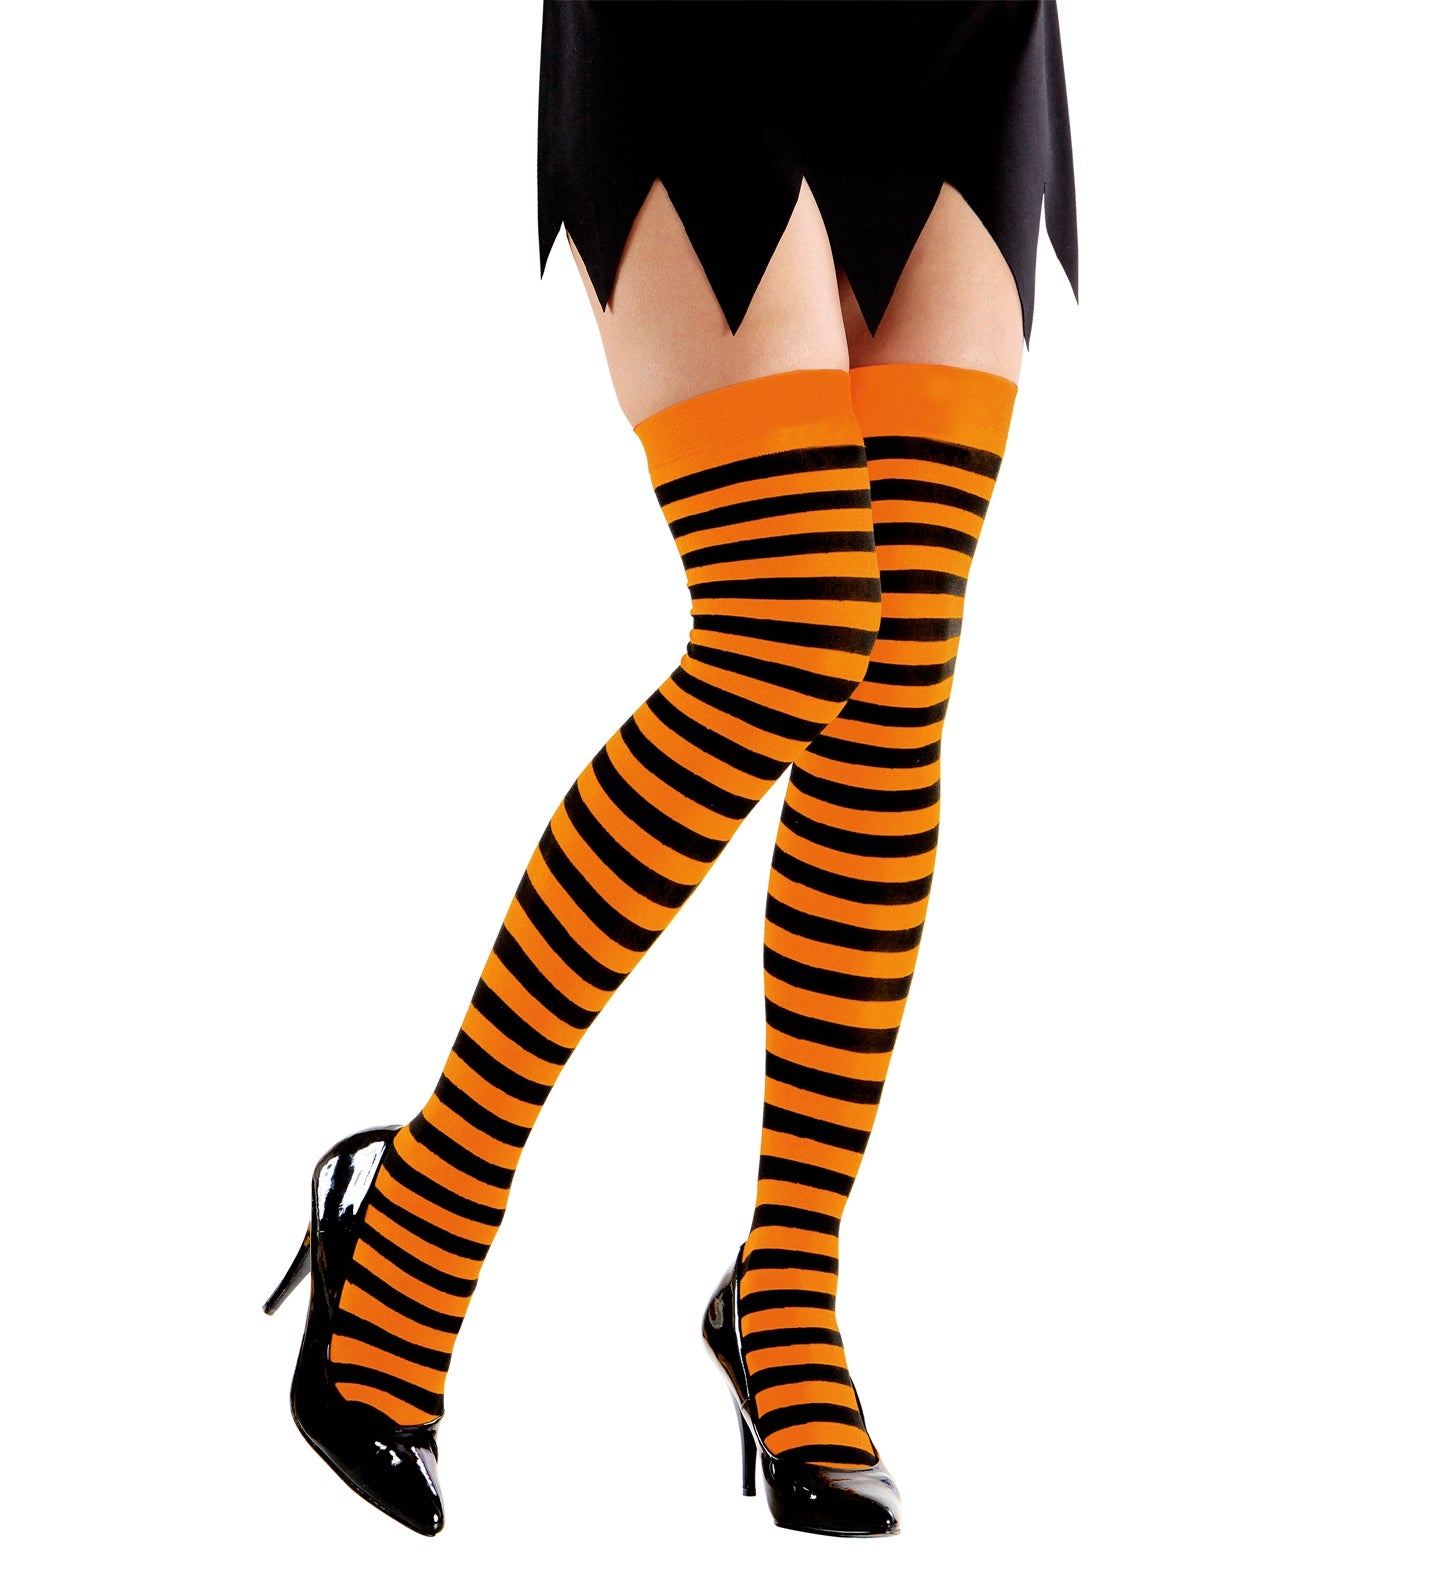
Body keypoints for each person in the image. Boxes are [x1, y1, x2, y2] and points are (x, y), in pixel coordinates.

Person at [264, 0, 1079, 1540]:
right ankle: (420, 1214)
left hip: (961, 36)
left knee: (896, 675)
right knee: (797, 624)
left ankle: (785, 1286)